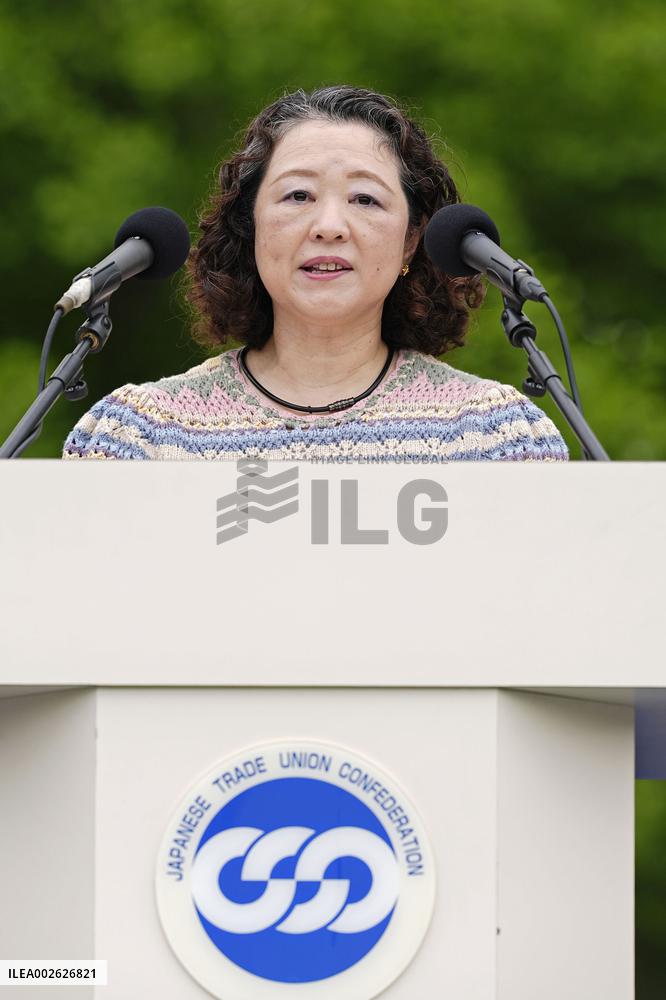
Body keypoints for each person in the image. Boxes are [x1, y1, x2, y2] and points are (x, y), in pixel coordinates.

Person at [62, 85, 568, 462]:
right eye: (298, 195)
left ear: (411, 239)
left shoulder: (496, 436)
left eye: (365, 199)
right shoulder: (137, 435)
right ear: (251, 226)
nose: (329, 226)